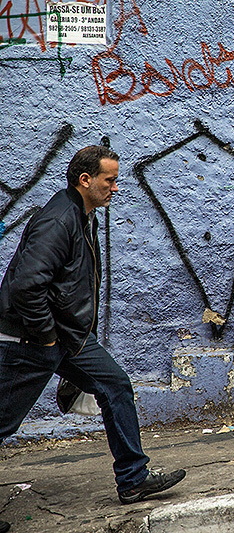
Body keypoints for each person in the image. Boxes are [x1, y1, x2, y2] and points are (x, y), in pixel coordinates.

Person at [0, 146, 185, 521]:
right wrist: (48, 337)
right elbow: (25, 287)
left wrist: (61, 337)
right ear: (86, 180)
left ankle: (133, 479)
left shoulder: (84, 215)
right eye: (109, 180)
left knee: (114, 384)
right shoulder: (59, 220)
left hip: (67, 338)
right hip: (30, 341)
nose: (115, 188)